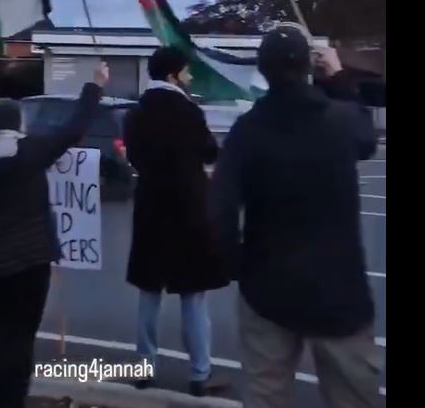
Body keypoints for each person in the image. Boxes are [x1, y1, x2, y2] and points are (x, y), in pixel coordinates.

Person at [210, 26, 383, 408]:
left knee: (266, 395)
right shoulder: (339, 121)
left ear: (263, 70)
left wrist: (240, 265)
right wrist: (337, 78)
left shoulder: (247, 131)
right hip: (339, 291)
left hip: (268, 288)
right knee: (355, 396)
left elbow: (219, 214)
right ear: (308, 66)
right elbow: (366, 138)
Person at [0, 63, 108, 408]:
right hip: (30, 260)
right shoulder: (28, 152)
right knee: (22, 336)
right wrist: (96, 85)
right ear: (17, 123)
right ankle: (13, 399)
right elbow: (73, 129)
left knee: (0, 334)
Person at [123, 46, 229, 396]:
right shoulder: (188, 112)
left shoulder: (136, 113)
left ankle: (143, 367)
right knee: (193, 295)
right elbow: (209, 152)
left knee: (149, 291)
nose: (190, 78)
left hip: (151, 205)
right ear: (173, 75)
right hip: (188, 209)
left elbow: (135, 157)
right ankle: (200, 373)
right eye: (186, 72)